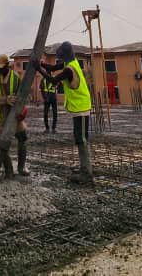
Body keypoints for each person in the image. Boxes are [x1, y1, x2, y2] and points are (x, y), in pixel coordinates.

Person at [35, 41, 93, 184]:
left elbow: (53, 80)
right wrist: (41, 64)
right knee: (79, 138)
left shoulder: (69, 70)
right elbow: (53, 67)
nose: (59, 60)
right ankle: (84, 168)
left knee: (82, 140)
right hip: (78, 108)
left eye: (60, 57)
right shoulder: (71, 63)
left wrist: (39, 70)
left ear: (64, 56)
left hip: (81, 107)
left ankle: (87, 173)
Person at [0, 54, 28, 181]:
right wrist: (5, 99)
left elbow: (23, 96)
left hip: (13, 113)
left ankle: (21, 168)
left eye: (1, 68)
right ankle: (9, 170)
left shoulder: (16, 77)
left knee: (22, 137)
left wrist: (22, 109)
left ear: (8, 65)